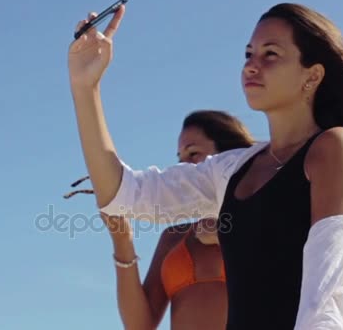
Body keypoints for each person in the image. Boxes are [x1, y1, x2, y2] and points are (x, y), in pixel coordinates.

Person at [67, 2, 343, 329]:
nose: (252, 65)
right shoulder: (231, 170)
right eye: (249, 54)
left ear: (312, 75)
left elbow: (323, 295)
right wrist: (86, 88)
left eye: (271, 55)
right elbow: (125, 194)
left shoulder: (332, 149)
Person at [67, 110, 253, 329]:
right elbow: (140, 325)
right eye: (180, 159)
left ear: (227, 157)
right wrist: (122, 239)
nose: (182, 168)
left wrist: (226, 234)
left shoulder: (260, 218)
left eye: (193, 154)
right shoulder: (174, 237)